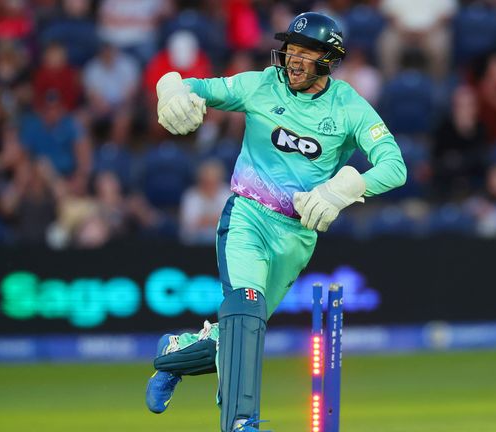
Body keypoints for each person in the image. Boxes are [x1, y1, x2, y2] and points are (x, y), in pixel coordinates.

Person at [144, 12, 406, 432]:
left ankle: (174, 352)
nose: (293, 60)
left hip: (297, 235)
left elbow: (395, 166)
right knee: (245, 315)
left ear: (329, 60)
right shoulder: (261, 84)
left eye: (306, 53)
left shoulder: (348, 106)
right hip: (247, 217)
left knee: (238, 333)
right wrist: (171, 88)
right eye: (291, 50)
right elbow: (196, 86)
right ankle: (241, 422)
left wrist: (342, 190)